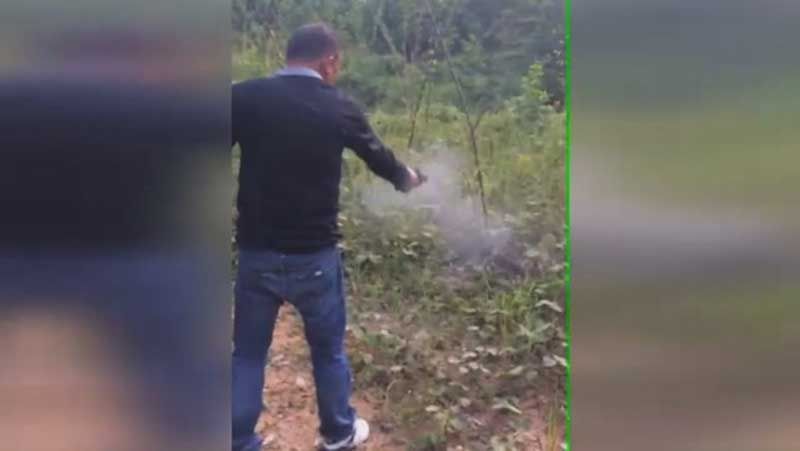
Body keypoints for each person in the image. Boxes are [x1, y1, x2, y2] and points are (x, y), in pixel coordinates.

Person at [231, 23, 424, 451]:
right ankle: (338, 432)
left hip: (257, 254)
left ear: (289, 56)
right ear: (329, 61)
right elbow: (379, 158)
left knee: (247, 353)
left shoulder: (244, 97)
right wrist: (408, 178)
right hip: (314, 258)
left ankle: (237, 439)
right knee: (328, 351)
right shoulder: (339, 106)